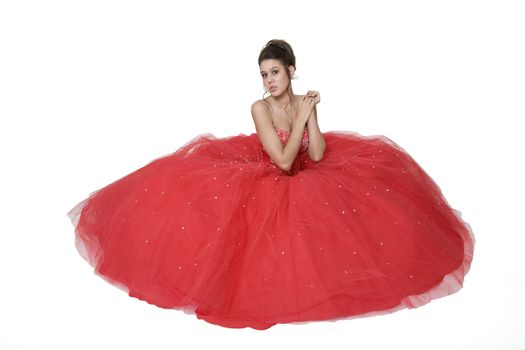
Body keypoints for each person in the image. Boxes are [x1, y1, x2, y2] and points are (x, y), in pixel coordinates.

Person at [67, 39, 475, 330]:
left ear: (292, 70)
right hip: (267, 174)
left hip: (304, 170)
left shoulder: (301, 101)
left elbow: (315, 156)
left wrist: (311, 112)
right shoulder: (259, 107)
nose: (269, 80)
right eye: (264, 74)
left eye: (275, 72)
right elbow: (281, 163)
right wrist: (300, 116)